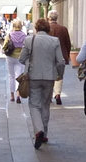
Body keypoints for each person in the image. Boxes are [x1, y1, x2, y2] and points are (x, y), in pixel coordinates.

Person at [19, 18, 67, 150]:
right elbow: (61, 62)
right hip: (49, 77)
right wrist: (59, 75)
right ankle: (44, 133)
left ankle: (38, 130)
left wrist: (30, 62)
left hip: (33, 77)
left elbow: (22, 58)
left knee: (34, 104)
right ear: (48, 29)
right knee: (46, 104)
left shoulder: (30, 40)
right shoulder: (54, 41)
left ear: (36, 28)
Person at [47, 9, 71, 106]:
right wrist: (67, 55)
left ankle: (48, 96)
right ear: (57, 18)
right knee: (59, 76)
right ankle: (57, 94)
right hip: (61, 56)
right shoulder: (63, 29)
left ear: (49, 18)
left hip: (48, 56)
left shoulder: (46, 29)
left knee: (49, 76)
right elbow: (68, 43)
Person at [3, 19, 27, 103]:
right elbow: (26, 47)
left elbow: (4, 46)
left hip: (10, 57)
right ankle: (18, 95)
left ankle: (12, 95)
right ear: (21, 26)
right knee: (19, 76)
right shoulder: (24, 35)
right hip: (20, 58)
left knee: (11, 76)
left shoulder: (9, 35)